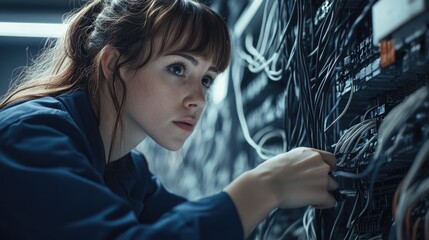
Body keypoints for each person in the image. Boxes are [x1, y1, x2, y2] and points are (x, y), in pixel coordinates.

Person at [0, 0, 338, 239]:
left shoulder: (128, 172)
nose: (199, 99)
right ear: (114, 64)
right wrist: (265, 186)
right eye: (178, 69)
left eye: (206, 79)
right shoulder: (31, 135)